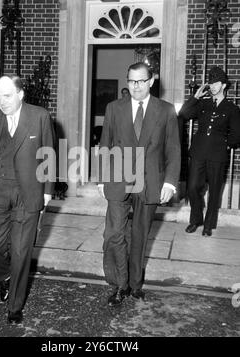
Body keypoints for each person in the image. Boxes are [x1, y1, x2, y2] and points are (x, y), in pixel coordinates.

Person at [0, 75, 55, 324]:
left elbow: (49, 154)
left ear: (20, 94)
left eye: (6, 96)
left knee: (21, 251)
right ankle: (4, 276)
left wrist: (47, 191)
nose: (1, 101)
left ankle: (15, 305)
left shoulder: (39, 116)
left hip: (27, 192)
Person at [98, 62, 180, 307]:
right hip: (118, 179)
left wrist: (170, 183)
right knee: (113, 234)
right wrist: (102, 178)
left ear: (151, 81)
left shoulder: (165, 111)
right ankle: (118, 284)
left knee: (139, 236)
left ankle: (134, 285)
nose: (135, 86)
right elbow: (105, 145)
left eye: (141, 81)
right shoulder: (114, 108)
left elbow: (174, 149)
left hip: (150, 181)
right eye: (131, 81)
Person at [179, 66, 240, 237]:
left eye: (216, 83)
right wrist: (195, 97)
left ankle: (208, 224)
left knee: (214, 191)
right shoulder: (203, 103)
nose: (212, 86)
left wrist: (225, 144)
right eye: (210, 83)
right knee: (192, 188)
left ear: (224, 86)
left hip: (217, 155)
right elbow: (183, 114)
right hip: (198, 152)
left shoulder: (232, 109)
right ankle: (196, 219)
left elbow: (236, 134)